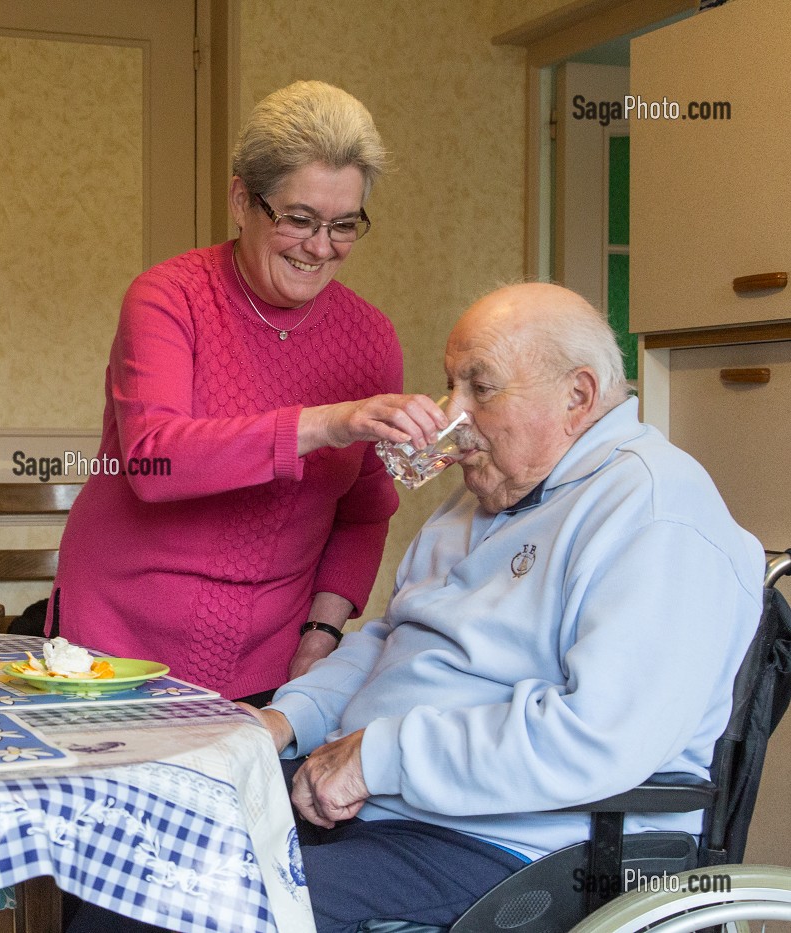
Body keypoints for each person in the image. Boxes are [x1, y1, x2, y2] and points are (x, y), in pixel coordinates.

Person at [224, 282, 763, 932]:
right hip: (383, 806)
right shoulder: (479, 498)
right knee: (145, 853)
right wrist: (286, 718)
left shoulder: (654, 510)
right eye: (451, 385)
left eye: (481, 388)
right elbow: (389, 639)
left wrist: (379, 754)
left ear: (579, 397)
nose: (452, 414)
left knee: (204, 906)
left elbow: (596, 734)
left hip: (513, 843)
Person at [49, 81, 448, 704]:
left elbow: (365, 510)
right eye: (300, 219)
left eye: (344, 225)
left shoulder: (370, 338)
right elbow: (156, 460)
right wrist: (326, 424)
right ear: (242, 200)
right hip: (114, 645)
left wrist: (322, 628)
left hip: (270, 658)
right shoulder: (168, 298)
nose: (321, 247)